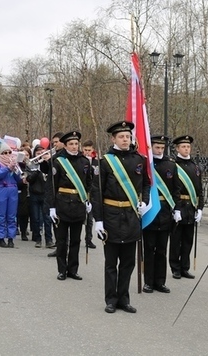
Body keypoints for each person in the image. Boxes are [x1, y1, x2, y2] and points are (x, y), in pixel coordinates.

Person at [91, 121, 150, 313]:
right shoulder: (105, 162)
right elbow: (96, 192)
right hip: (111, 216)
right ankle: (111, 299)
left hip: (131, 216)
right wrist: (98, 220)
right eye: (121, 137)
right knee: (111, 263)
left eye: (128, 136)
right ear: (113, 139)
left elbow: (146, 184)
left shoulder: (140, 159)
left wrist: (145, 202)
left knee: (128, 263)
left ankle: (124, 299)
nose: (125, 140)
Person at [46, 130, 92, 281]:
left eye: (76, 144)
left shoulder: (85, 162)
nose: (74, 146)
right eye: (71, 144)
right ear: (65, 146)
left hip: (78, 204)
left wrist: (88, 200)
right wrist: (52, 207)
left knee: (76, 240)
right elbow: (51, 186)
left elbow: (89, 184)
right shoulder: (58, 161)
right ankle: (62, 270)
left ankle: (73, 269)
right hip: (62, 204)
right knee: (61, 240)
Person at [142, 135, 180, 294]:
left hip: (165, 211)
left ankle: (160, 282)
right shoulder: (146, 164)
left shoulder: (171, 164)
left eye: (162, 147)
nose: (159, 150)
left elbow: (176, 188)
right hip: (151, 210)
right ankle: (148, 282)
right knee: (149, 248)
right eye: (157, 147)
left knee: (162, 249)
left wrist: (177, 209)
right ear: (151, 147)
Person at [169, 135, 204, 280]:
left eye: (188, 146)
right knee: (176, 240)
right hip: (180, 206)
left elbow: (199, 190)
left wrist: (200, 208)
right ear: (177, 148)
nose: (186, 149)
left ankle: (185, 267)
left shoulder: (195, 166)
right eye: (183, 146)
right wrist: (175, 208)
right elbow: (172, 189)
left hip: (191, 207)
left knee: (188, 240)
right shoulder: (173, 165)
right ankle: (175, 268)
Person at [0, 142, 21, 248]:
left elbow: (19, 179)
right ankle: (0, 238)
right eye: (5, 152)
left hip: (13, 189)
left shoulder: (14, 163)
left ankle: (11, 238)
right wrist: (8, 168)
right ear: (1, 153)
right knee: (1, 215)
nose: (8, 154)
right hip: (2, 189)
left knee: (12, 215)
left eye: (9, 152)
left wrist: (16, 170)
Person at [26, 145, 54, 249]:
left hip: (46, 194)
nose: (40, 155)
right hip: (34, 194)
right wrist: (37, 170)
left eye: (42, 153)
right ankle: (37, 239)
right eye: (38, 153)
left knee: (47, 218)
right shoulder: (31, 164)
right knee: (36, 218)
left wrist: (47, 162)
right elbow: (29, 179)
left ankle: (49, 240)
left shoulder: (49, 163)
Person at [82, 139, 97, 249]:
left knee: (90, 218)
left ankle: (88, 239)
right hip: (81, 191)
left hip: (92, 193)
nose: (87, 152)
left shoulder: (96, 162)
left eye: (89, 150)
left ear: (92, 150)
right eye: (85, 150)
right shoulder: (81, 160)